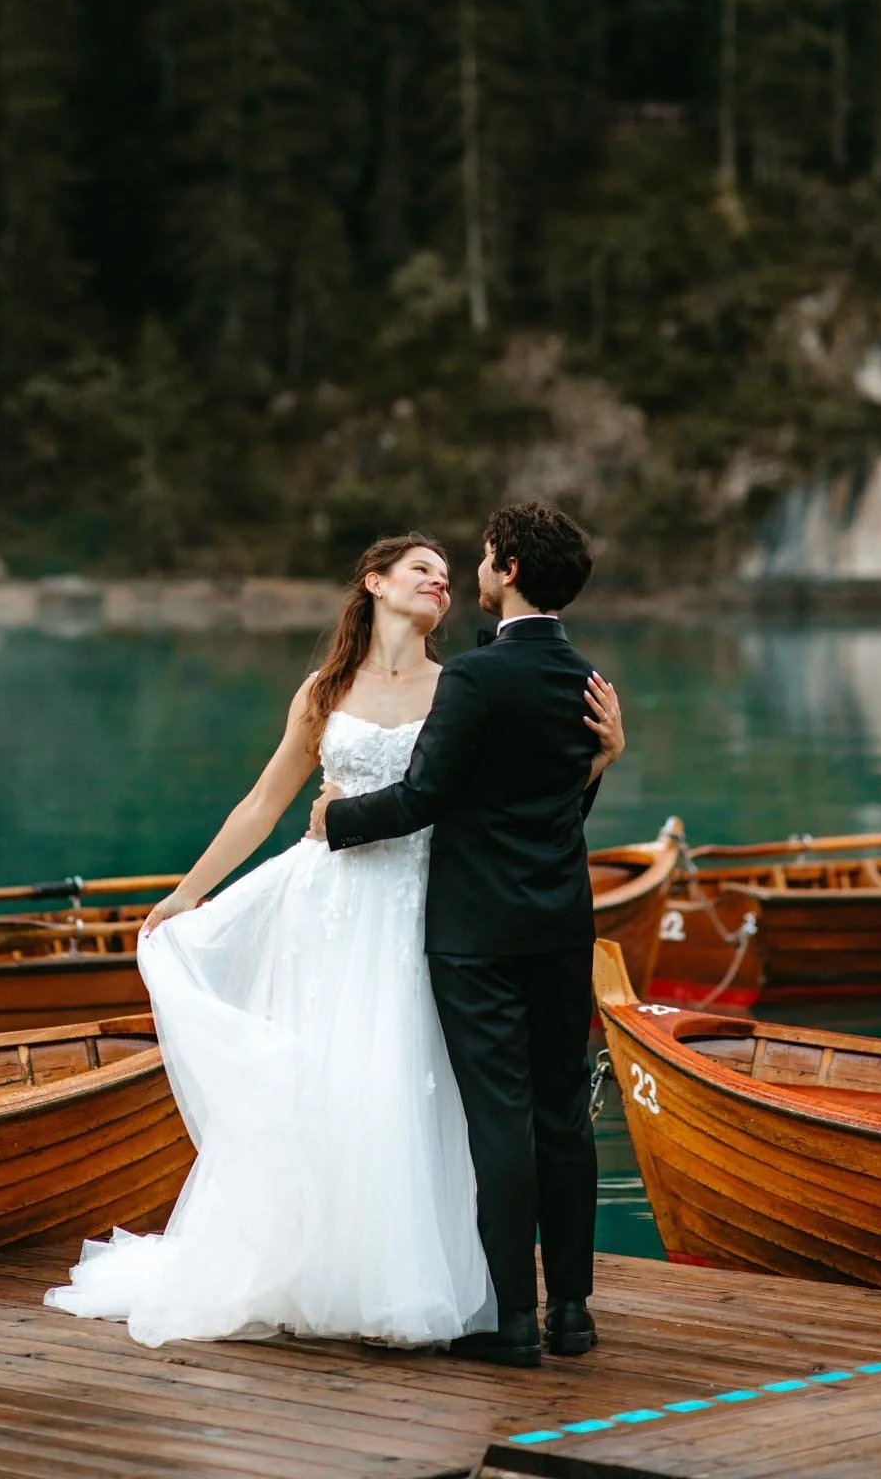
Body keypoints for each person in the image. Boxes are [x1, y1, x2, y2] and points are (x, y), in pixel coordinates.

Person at [45, 528, 623, 1351]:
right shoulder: (324, 689)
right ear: (375, 581)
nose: (442, 583)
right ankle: (329, 1269)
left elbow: (505, 795)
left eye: (452, 574)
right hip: (330, 907)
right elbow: (261, 803)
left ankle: (446, 1288)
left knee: (425, 1094)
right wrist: (186, 891)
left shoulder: (460, 684)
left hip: (430, 905)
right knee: (332, 1082)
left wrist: (597, 763)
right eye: (422, 569)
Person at [309, 501, 611, 1369]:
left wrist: (335, 821)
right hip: (559, 926)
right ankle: (575, 1316)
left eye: (483, 557)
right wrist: (603, 765)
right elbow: (560, 805)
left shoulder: (472, 679)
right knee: (564, 1116)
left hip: (476, 932)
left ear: (508, 570)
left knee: (499, 1120)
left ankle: (514, 1323)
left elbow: (424, 799)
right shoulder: (585, 679)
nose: (475, 570)